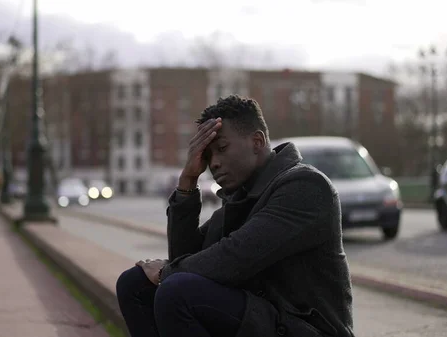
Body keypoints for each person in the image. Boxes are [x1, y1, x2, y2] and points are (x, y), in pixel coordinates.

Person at [116, 95, 354, 337]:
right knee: (134, 284)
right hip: (267, 319)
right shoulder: (242, 195)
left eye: (221, 149)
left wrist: (165, 272)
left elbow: (236, 256)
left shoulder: (305, 186)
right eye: (207, 157)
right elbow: (185, 257)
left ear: (257, 141)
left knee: (175, 290)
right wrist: (188, 181)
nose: (214, 164)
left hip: (307, 329)